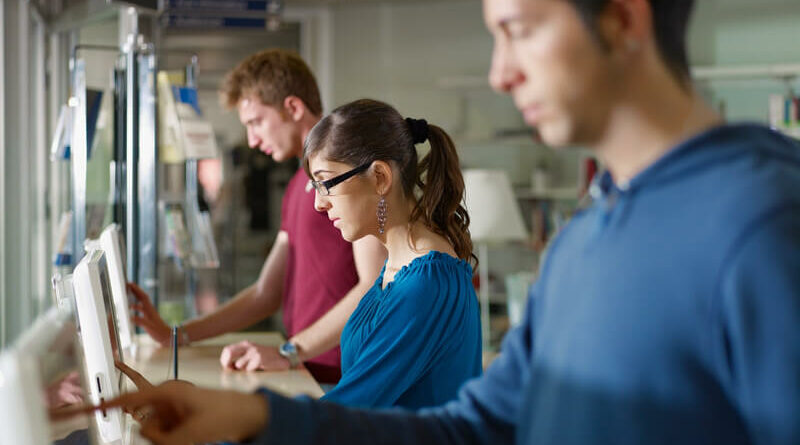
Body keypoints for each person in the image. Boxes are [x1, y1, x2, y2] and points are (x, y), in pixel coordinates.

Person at [86, 0, 800, 444]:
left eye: (517, 30)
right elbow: (474, 427)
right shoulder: (588, 233)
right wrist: (251, 418)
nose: (499, 72)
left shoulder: (766, 224)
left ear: (622, 16)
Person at [129, 49, 386, 384]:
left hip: (344, 374)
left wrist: (289, 352)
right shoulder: (298, 184)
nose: (251, 139)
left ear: (293, 107)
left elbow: (374, 283)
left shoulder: (345, 174)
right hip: (307, 369)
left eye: (256, 122)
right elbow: (266, 291)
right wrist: (177, 335)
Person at [305, 99, 482, 408]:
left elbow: (347, 410)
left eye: (326, 183)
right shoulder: (398, 266)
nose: (320, 203)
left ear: (380, 178)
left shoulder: (426, 283)